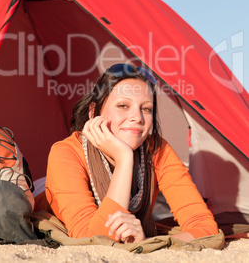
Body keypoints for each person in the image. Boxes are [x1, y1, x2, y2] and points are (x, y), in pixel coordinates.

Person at [45, 64, 219, 243]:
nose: (138, 117)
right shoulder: (66, 153)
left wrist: (147, 243)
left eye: (146, 109)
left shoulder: (157, 149)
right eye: (123, 105)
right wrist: (124, 159)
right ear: (93, 112)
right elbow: (93, 240)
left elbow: (205, 228)